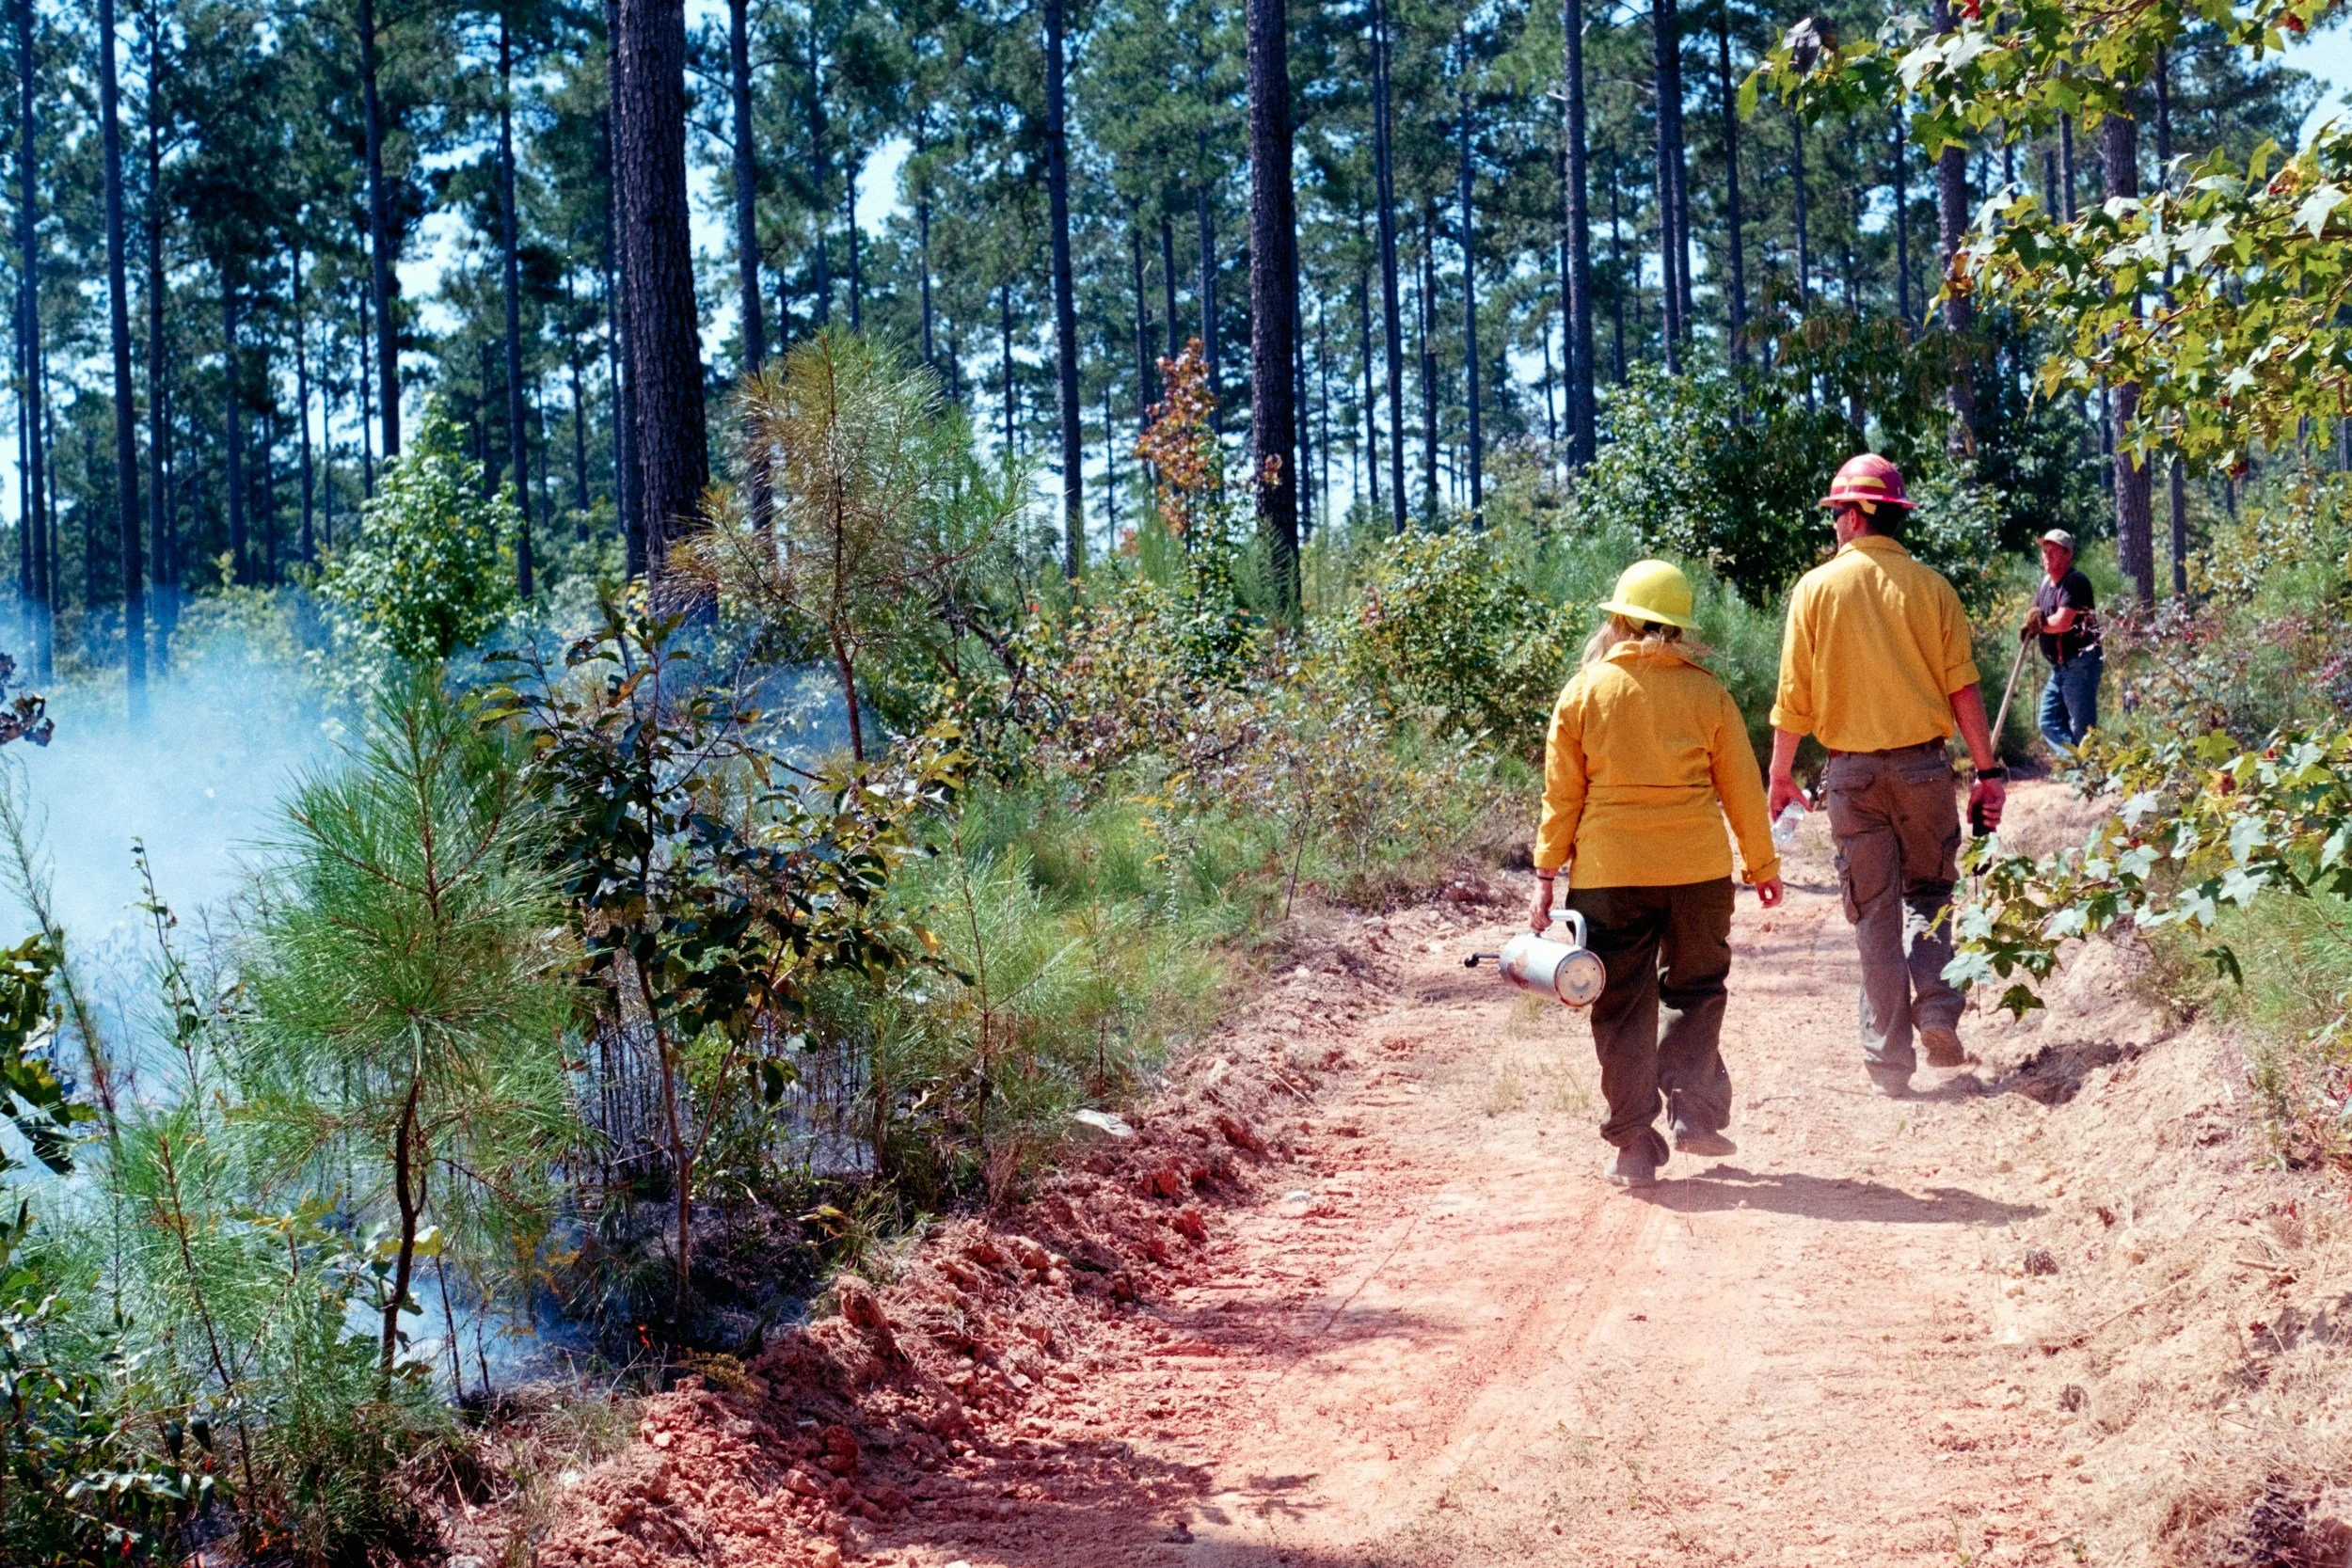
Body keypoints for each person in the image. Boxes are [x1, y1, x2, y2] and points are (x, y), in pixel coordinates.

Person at [1533, 560, 1785, 1189]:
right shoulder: (1708, 694)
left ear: (1618, 619)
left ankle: (1633, 1145)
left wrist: (1544, 873)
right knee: (1697, 989)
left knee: (1620, 1006)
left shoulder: (1585, 691)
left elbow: (1562, 796)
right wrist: (1762, 865)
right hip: (1697, 873)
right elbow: (1742, 792)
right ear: (1678, 630)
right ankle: (1694, 1111)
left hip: (1610, 873)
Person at [1766, 453, 2007, 1097]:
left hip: (1851, 778)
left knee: (1873, 912)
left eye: (1838, 512)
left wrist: (1780, 775)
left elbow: (1794, 698)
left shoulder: (1815, 590)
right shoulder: (1932, 589)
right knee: (1930, 893)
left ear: (1861, 513)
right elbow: (1963, 689)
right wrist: (1988, 771)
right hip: (1926, 768)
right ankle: (1935, 1007)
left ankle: (1888, 1061)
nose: (1834, 526)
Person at [2024, 529, 2102, 756]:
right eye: (2044, 552)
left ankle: (2090, 779)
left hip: (2081, 664)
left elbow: (2062, 622)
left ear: (2068, 555)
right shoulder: (2046, 583)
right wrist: (2028, 622)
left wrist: (2037, 625)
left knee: (2083, 729)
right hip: (2060, 667)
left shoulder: (2075, 583)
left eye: (2053, 552)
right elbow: (2034, 611)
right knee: (2048, 722)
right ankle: (2080, 766)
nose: (2047, 556)